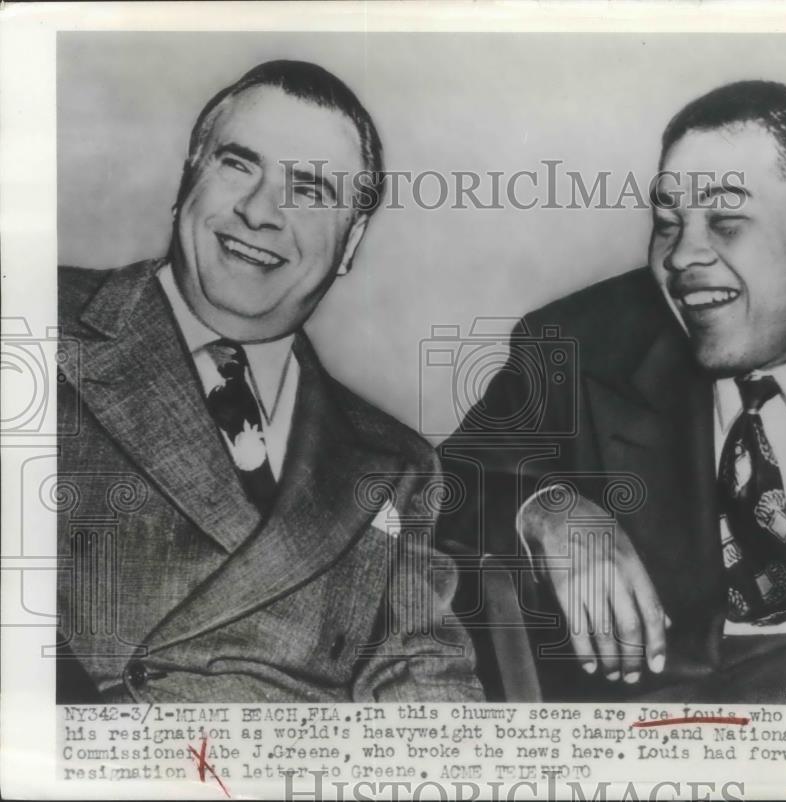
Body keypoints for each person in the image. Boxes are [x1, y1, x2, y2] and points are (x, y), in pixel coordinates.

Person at [437, 80, 786, 704]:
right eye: (667, 224)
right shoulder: (579, 346)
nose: (682, 255)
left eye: (726, 221)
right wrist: (546, 509)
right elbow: (440, 486)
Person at [56, 60, 482, 703]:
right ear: (188, 178)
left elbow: (422, 675)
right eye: (238, 165)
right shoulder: (33, 325)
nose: (260, 212)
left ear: (351, 242)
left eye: (309, 190)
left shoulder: (397, 463)